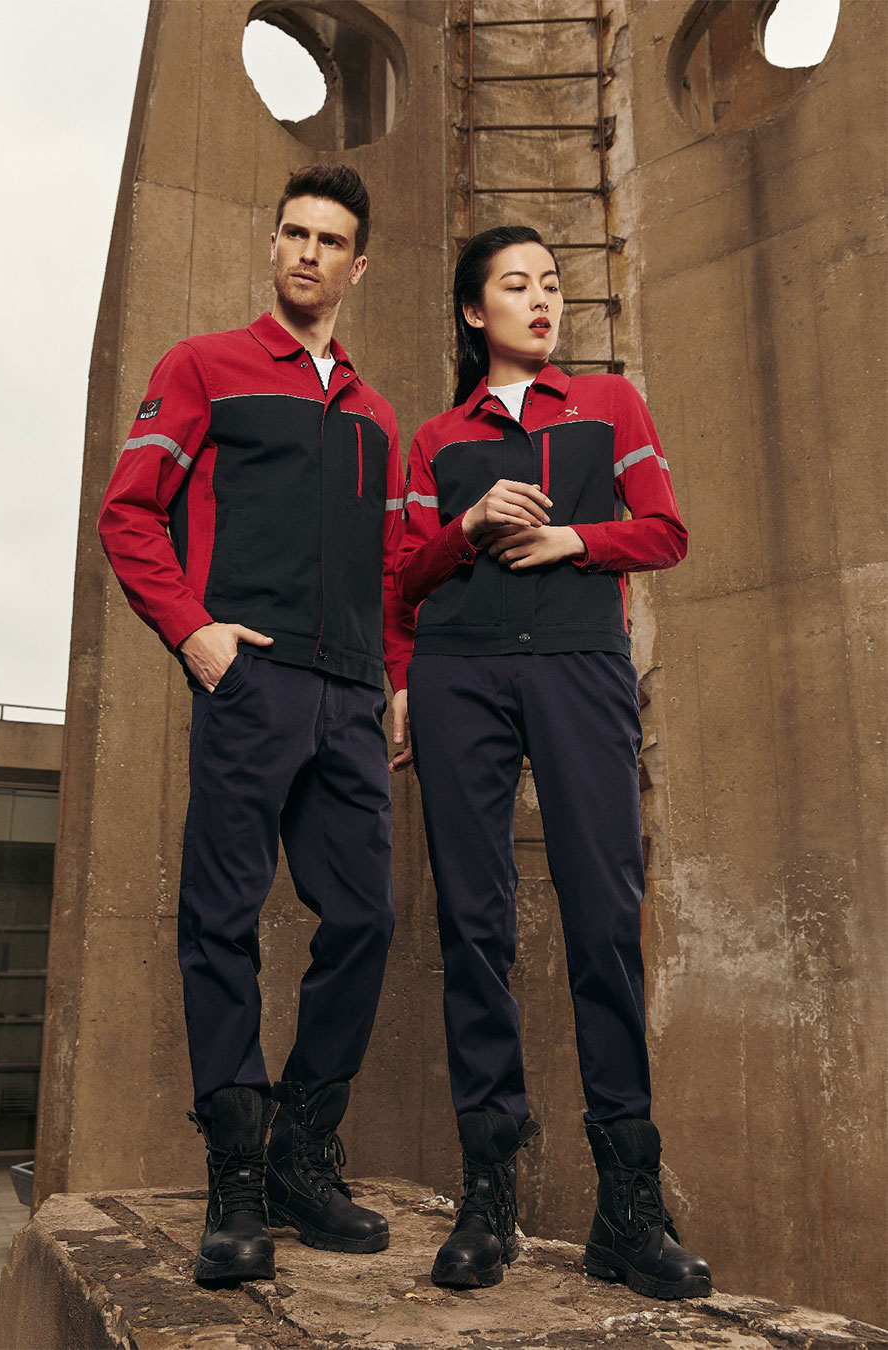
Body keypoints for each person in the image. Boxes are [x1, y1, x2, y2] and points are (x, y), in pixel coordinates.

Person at [98, 164, 414, 1287]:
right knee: (221, 918)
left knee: (366, 915)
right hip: (252, 679)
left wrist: (398, 678)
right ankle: (235, 1175)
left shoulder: (377, 415)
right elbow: (129, 512)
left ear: (357, 267)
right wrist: (195, 633)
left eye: (330, 240)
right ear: (273, 244)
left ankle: (299, 1155)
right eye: (293, 232)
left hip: (352, 693)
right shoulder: (203, 368)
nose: (308, 252)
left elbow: (390, 565)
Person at [397, 225, 712, 1300]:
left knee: (604, 919)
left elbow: (666, 531)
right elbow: (403, 575)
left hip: (580, 665)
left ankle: (629, 1207)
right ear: (473, 311)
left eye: (552, 284)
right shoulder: (437, 438)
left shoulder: (610, 406)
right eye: (516, 285)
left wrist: (576, 539)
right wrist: (470, 524)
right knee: (473, 925)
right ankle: (490, 1198)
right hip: (459, 672)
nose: (542, 300)